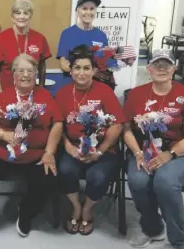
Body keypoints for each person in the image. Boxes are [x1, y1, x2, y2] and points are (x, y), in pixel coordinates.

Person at [0, 53, 63, 241]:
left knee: (48, 177)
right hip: (3, 153)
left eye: (30, 71)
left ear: (36, 74)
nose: (25, 75)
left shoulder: (44, 96)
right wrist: (4, 135)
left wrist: (49, 152)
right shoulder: (4, 96)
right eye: (21, 71)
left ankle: (26, 212)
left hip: (35, 154)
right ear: (14, 75)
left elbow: (58, 123)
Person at [123, 49, 184, 249]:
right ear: (149, 68)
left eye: (166, 64)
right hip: (145, 150)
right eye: (157, 65)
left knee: (165, 181)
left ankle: (180, 241)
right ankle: (153, 229)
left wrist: (170, 154)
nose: (161, 69)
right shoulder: (136, 95)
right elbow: (126, 129)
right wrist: (137, 153)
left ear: (174, 69)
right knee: (137, 180)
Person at [55, 45, 124, 235]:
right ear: (71, 70)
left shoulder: (105, 92)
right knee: (65, 170)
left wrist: (100, 150)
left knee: (98, 177)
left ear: (94, 70)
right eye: (77, 68)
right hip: (73, 148)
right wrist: (68, 146)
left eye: (86, 68)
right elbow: (57, 125)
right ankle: (76, 206)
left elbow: (117, 124)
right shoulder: (62, 94)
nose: (82, 73)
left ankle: (88, 208)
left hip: (103, 150)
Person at [0, 0, 51, 94]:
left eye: (26, 13)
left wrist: (41, 87)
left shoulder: (40, 38)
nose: (22, 17)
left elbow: (42, 65)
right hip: (6, 90)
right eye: (18, 13)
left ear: (30, 16)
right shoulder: (2, 37)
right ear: (12, 17)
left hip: (31, 91)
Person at [56, 0, 113, 88]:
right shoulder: (67, 34)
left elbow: (105, 64)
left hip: (94, 87)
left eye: (92, 9)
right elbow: (64, 66)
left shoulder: (101, 35)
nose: (88, 12)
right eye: (84, 8)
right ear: (77, 11)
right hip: (71, 86)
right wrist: (88, 70)